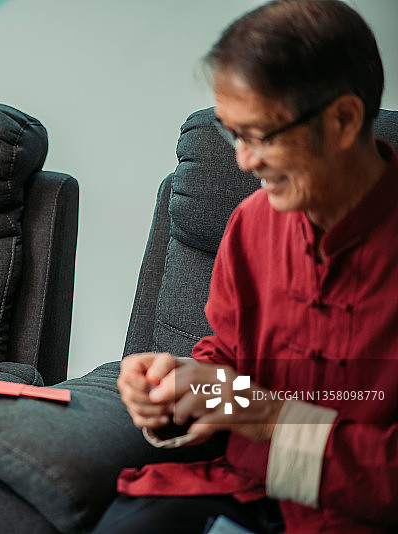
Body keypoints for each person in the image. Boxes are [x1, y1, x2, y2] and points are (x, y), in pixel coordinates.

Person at [95, 0, 397, 532]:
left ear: (345, 119)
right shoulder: (254, 222)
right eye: (234, 134)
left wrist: (267, 417)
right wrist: (182, 389)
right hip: (240, 488)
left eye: (261, 135)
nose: (244, 161)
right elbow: (225, 359)